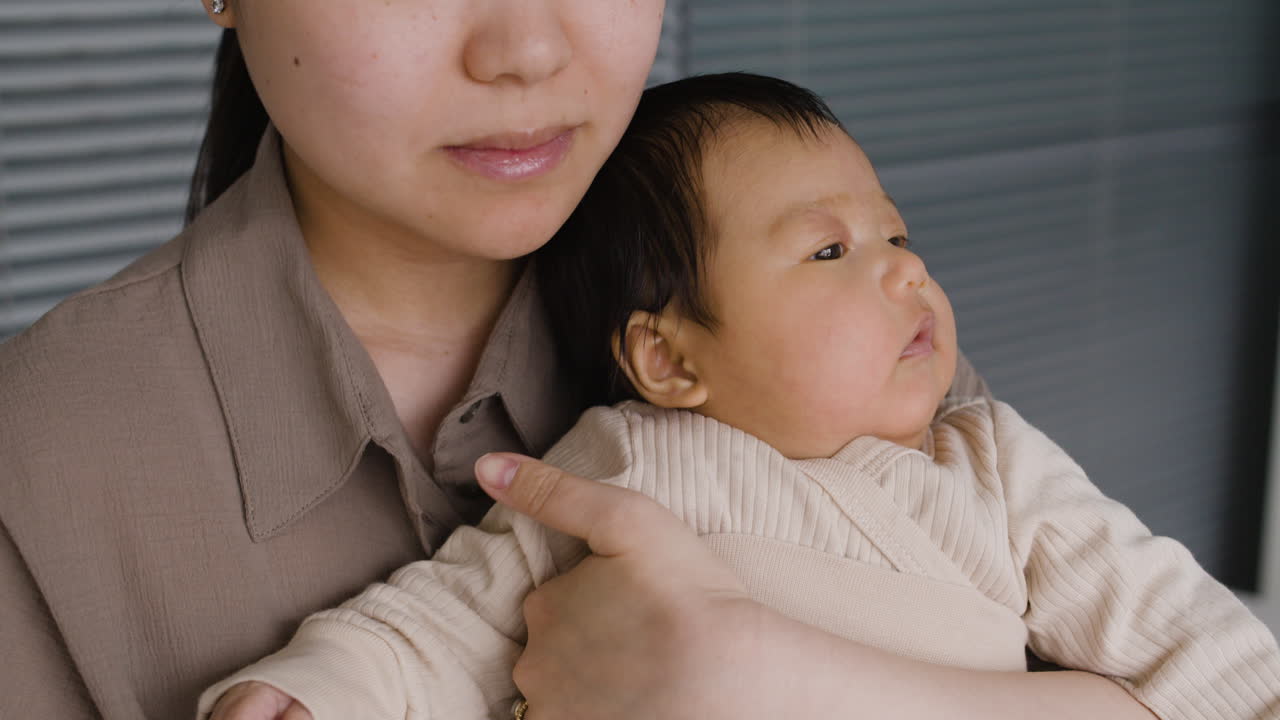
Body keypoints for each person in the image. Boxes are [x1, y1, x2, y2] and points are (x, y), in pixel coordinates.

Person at [198, 73, 1280, 720]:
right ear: (668, 360)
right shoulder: (625, 466)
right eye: (828, 250)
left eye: (896, 234)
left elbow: (1213, 660)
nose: (907, 270)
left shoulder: (993, 464)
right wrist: (321, 687)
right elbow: (448, 617)